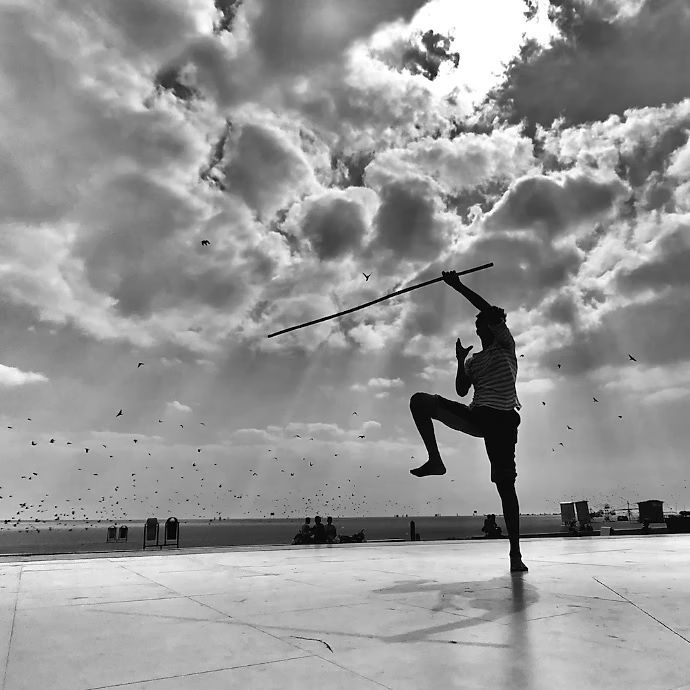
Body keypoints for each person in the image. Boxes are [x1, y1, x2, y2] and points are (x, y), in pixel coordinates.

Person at [409, 270, 528, 573]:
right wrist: (460, 361)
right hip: (477, 416)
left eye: (485, 321)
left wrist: (457, 285)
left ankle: (515, 554)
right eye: (480, 324)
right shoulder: (475, 360)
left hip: (501, 421)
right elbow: (462, 390)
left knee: (505, 485)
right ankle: (435, 460)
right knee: (420, 401)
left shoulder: (505, 345)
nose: (483, 325)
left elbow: (487, 310)